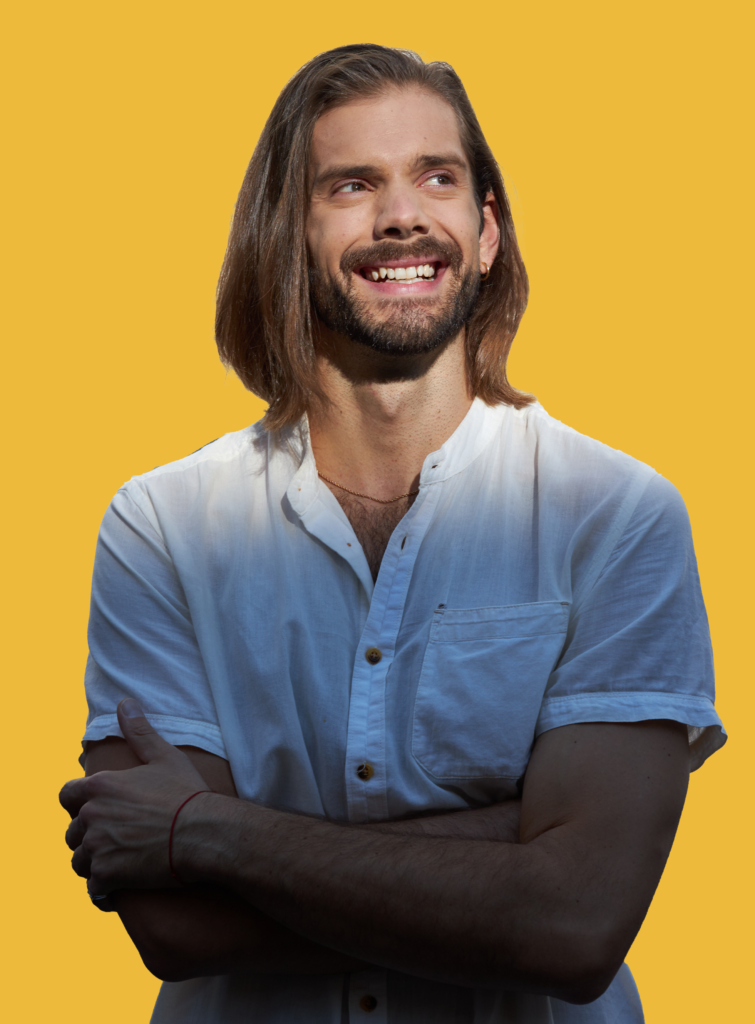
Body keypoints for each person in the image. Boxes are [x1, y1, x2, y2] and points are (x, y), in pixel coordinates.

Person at [60, 44, 725, 1024]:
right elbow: (174, 928)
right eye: (352, 183)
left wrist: (205, 830)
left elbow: (577, 925)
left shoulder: (615, 515)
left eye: (437, 177)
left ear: (485, 231)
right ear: (284, 235)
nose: (402, 213)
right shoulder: (162, 526)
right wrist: (519, 847)